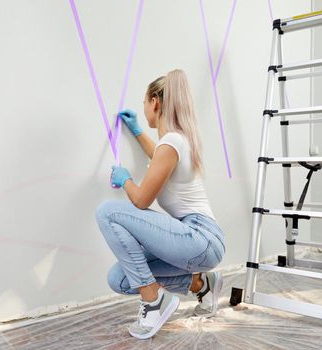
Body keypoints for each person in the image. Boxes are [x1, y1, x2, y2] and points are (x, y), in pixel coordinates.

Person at [95, 69, 225, 340]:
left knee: (107, 212)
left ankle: (154, 301)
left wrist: (126, 179)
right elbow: (158, 157)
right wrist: (139, 131)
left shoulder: (173, 141)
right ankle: (201, 284)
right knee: (119, 278)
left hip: (200, 237)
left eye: (144, 103)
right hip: (197, 244)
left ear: (155, 102)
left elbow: (142, 200)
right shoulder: (175, 142)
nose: (144, 109)